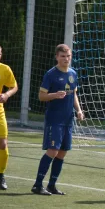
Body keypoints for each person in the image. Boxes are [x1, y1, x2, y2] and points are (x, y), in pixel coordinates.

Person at [32, 44, 84, 195]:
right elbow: (41, 96)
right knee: (53, 151)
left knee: (62, 152)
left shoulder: (73, 73)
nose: (66, 59)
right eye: (63, 56)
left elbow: (73, 94)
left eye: (68, 56)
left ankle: (52, 185)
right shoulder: (51, 74)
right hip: (54, 119)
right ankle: (37, 185)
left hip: (68, 120)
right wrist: (55, 95)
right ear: (57, 57)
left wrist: (79, 110)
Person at [0, 43, 18, 190]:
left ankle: (0, 176)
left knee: (3, 145)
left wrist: (6, 94)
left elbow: (14, 86)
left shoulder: (4, 69)